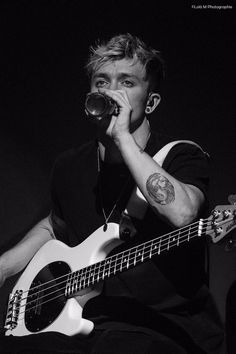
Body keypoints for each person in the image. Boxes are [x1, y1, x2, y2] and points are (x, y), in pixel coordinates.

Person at [0, 33, 224, 353]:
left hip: (163, 327)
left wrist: (122, 138)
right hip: (89, 321)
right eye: (102, 81)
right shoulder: (70, 166)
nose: (111, 91)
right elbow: (54, 224)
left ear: (150, 102)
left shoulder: (181, 156)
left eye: (127, 82)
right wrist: (5, 265)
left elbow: (183, 213)